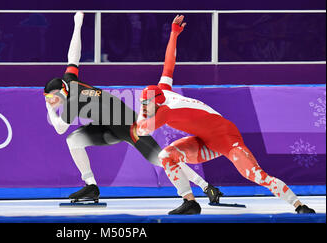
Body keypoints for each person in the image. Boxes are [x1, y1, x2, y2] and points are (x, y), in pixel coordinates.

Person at [135, 15, 316, 214]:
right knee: (166, 156)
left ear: (157, 103)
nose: (143, 107)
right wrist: (174, 34)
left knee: (257, 175)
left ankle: (299, 205)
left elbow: (140, 131)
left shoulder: (165, 112)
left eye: (146, 103)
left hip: (227, 138)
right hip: (204, 140)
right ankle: (190, 203)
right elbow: (169, 63)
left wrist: (136, 118)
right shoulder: (164, 90)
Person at [44, 12, 221, 204]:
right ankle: (91, 186)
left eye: (53, 98)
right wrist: (77, 24)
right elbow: (73, 55)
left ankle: (206, 187)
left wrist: (50, 110)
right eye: (49, 100)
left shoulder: (73, 101)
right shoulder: (69, 82)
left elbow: (60, 128)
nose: (53, 102)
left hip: (130, 127)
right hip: (108, 128)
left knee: (161, 158)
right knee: (74, 141)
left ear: (62, 91)